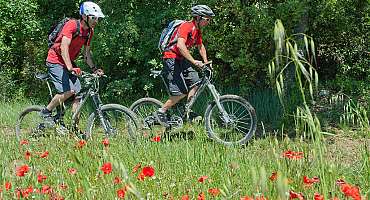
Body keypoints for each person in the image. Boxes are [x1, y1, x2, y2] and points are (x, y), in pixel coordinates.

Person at [39, 1, 105, 132]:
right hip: (55, 60)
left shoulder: (89, 32)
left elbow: (86, 54)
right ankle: (46, 112)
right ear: (85, 17)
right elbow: (64, 47)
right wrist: (70, 67)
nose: (96, 21)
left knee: (78, 94)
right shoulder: (71, 25)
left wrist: (94, 69)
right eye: (93, 17)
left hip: (67, 62)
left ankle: (74, 128)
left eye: (98, 18)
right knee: (69, 90)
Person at [155, 5, 215, 127]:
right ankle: (161, 111)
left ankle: (186, 111)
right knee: (180, 92)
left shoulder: (197, 30)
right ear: (198, 18)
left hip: (181, 59)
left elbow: (200, 46)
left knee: (196, 83)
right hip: (171, 58)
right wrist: (194, 61)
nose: (209, 22)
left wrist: (206, 61)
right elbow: (180, 46)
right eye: (207, 19)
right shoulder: (186, 26)